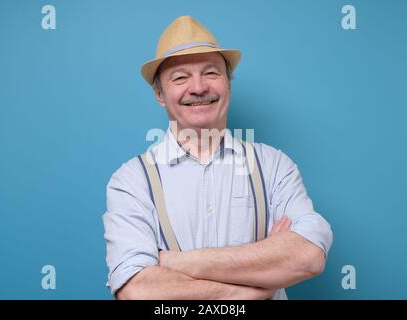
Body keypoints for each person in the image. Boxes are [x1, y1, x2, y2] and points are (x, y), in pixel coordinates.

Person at [103, 16, 333, 300]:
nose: (198, 87)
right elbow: (137, 291)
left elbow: (307, 255)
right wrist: (259, 284)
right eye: (180, 77)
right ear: (160, 94)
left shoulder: (273, 166)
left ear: (228, 84)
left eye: (211, 73)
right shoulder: (131, 180)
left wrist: (182, 262)